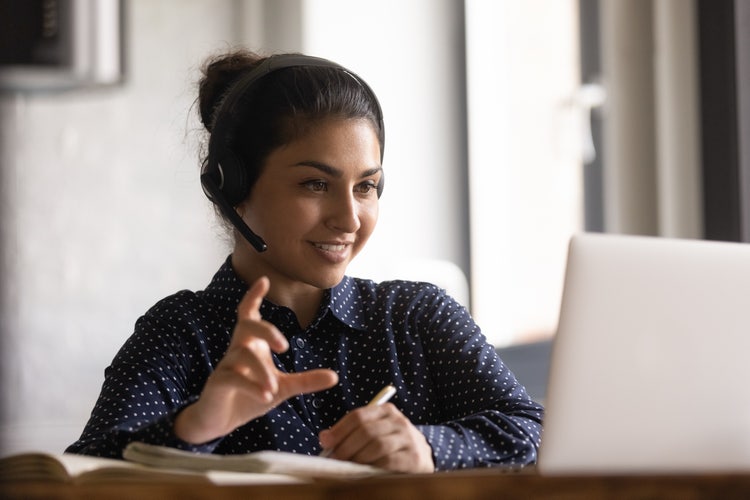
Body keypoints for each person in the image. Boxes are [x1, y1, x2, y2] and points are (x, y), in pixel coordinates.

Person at [66, 49, 543, 473]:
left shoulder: (417, 317)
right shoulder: (181, 332)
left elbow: (535, 432)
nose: (349, 218)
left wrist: (428, 447)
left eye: (366, 187)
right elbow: (81, 476)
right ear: (234, 189)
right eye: (315, 184)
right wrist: (194, 427)